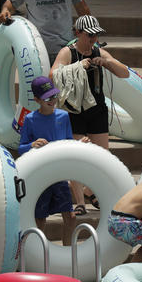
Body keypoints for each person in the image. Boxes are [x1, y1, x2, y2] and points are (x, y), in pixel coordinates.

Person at [51, 14, 129, 215]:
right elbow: (52, 75)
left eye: (96, 35)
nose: (93, 38)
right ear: (78, 33)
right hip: (74, 110)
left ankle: (89, 191)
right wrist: (79, 66)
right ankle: (79, 201)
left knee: (102, 157)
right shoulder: (68, 52)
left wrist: (105, 62)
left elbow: (124, 73)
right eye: (89, 35)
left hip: (96, 108)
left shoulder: (98, 51)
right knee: (77, 155)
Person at [18, 76, 85, 245]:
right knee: (40, 219)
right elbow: (21, 148)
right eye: (47, 98)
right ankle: (40, 252)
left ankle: (68, 251)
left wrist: (78, 144)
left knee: (70, 217)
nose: (52, 100)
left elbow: (67, 141)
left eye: (54, 96)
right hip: (41, 176)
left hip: (58, 174)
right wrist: (32, 145)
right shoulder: (30, 119)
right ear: (37, 100)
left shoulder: (63, 117)